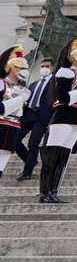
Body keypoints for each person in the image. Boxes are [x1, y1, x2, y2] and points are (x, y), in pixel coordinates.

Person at [40, 37, 77, 203]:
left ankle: (54, 190)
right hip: (64, 116)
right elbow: (64, 97)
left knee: (63, 156)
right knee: (52, 154)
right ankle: (45, 191)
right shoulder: (65, 72)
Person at [16, 57, 54, 181]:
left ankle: (27, 172)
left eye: (47, 66)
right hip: (28, 115)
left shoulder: (55, 84)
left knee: (33, 143)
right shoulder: (34, 83)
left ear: (52, 68)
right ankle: (30, 161)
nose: (44, 69)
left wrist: (52, 120)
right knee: (15, 140)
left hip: (42, 117)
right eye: (42, 66)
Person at [0, 46, 30, 181]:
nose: (23, 71)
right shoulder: (2, 84)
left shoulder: (22, 89)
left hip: (12, 127)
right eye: (20, 68)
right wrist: (20, 99)